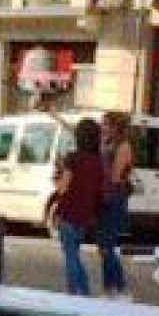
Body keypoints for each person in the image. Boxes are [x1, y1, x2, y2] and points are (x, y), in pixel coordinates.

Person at [53, 118, 105, 296]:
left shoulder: (72, 158)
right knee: (74, 254)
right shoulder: (99, 161)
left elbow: (62, 188)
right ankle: (79, 291)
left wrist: (57, 177)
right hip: (85, 215)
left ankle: (78, 292)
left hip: (68, 213)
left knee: (71, 256)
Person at [97, 112, 134, 300]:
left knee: (107, 246)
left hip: (115, 198)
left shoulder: (123, 146)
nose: (102, 127)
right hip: (105, 197)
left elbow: (116, 176)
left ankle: (121, 288)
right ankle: (109, 288)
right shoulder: (105, 142)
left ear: (115, 127)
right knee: (103, 247)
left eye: (105, 124)